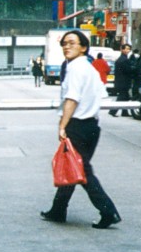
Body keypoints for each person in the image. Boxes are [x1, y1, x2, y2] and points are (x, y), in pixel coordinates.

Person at [40, 29, 122, 229]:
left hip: (78, 125)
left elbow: (72, 99)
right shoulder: (89, 68)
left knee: (83, 171)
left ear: (83, 47)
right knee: (73, 166)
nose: (67, 47)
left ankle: (108, 211)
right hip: (91, 126)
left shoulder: (76, 68)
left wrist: (62, 125)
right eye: (64, 44)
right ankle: (58, 209)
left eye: (72, 43)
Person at [109, 44, 134, 117]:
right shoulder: (124, 60)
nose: (127, 50)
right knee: (121, 97)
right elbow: (128, 70)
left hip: (120, 81)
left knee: (125, 97)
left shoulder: (121, 59)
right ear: (122, 50)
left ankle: (124, 112)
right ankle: (112, 111)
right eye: (125, 49)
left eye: (128, 49)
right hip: (123, 82)